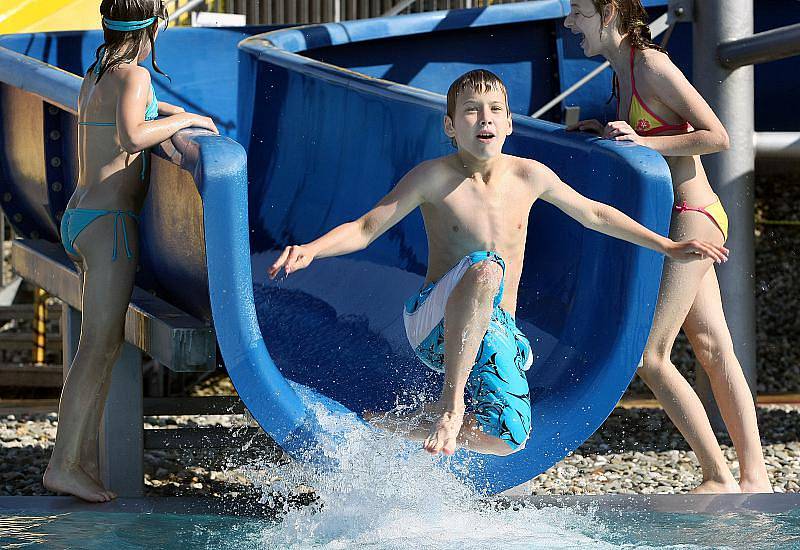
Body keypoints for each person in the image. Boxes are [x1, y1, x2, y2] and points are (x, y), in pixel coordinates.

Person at [268, 69, 727, 458]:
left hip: (496, 325)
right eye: (470, 110)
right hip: (433, 326)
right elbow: (367, 227)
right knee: (486, 266)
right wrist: (312, 249)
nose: (483, 118)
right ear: (450, 126)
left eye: (494, 110)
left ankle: (393, 425)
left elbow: (593, 213)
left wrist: (665, 246)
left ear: (509, 123)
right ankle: (450, 408)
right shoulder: (433, 177)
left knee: (508, 438)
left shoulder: (529, 175)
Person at [564, 0, 771, 493]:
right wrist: (606, 136)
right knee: (714, 347)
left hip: (693, 217)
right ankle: (756, 477)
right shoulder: (621, 74)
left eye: (577, 11)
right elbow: (647, 136)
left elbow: (717, 136)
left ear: (609, 12)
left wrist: (642, 143)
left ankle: (717, 476)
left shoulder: (651, 65)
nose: (570, 23)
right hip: (684, 217)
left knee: (651, 356)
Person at [43, 0, 219, 502]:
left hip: (81, 219)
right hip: (111, 227)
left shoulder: (98, 72)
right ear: (155, 25)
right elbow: (133, 134)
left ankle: (80, 458)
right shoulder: (134, 73)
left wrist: (173, 112)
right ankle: (64, 464)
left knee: (99, 346)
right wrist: (193, 120)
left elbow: (131, 112)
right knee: (97, 347)